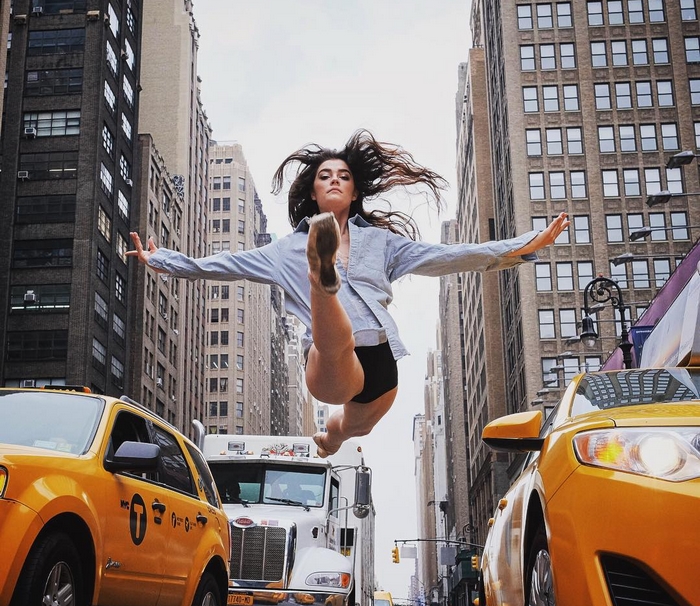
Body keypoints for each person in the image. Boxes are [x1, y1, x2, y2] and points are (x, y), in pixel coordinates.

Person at [128, 129, 569, 458]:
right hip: (327, 362)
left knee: (350, 428)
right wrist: (162, 259)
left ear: (355, 190)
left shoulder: (382, 243)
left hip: (380, 369)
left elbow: (449, 255)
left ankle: (332, 438)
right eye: (324, 176)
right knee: (335, 342)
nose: (334, 180)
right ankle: (323, 278)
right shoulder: (283, 251)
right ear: (314, 191)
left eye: (343, 176)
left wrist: (521, 246)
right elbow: (219, 266)